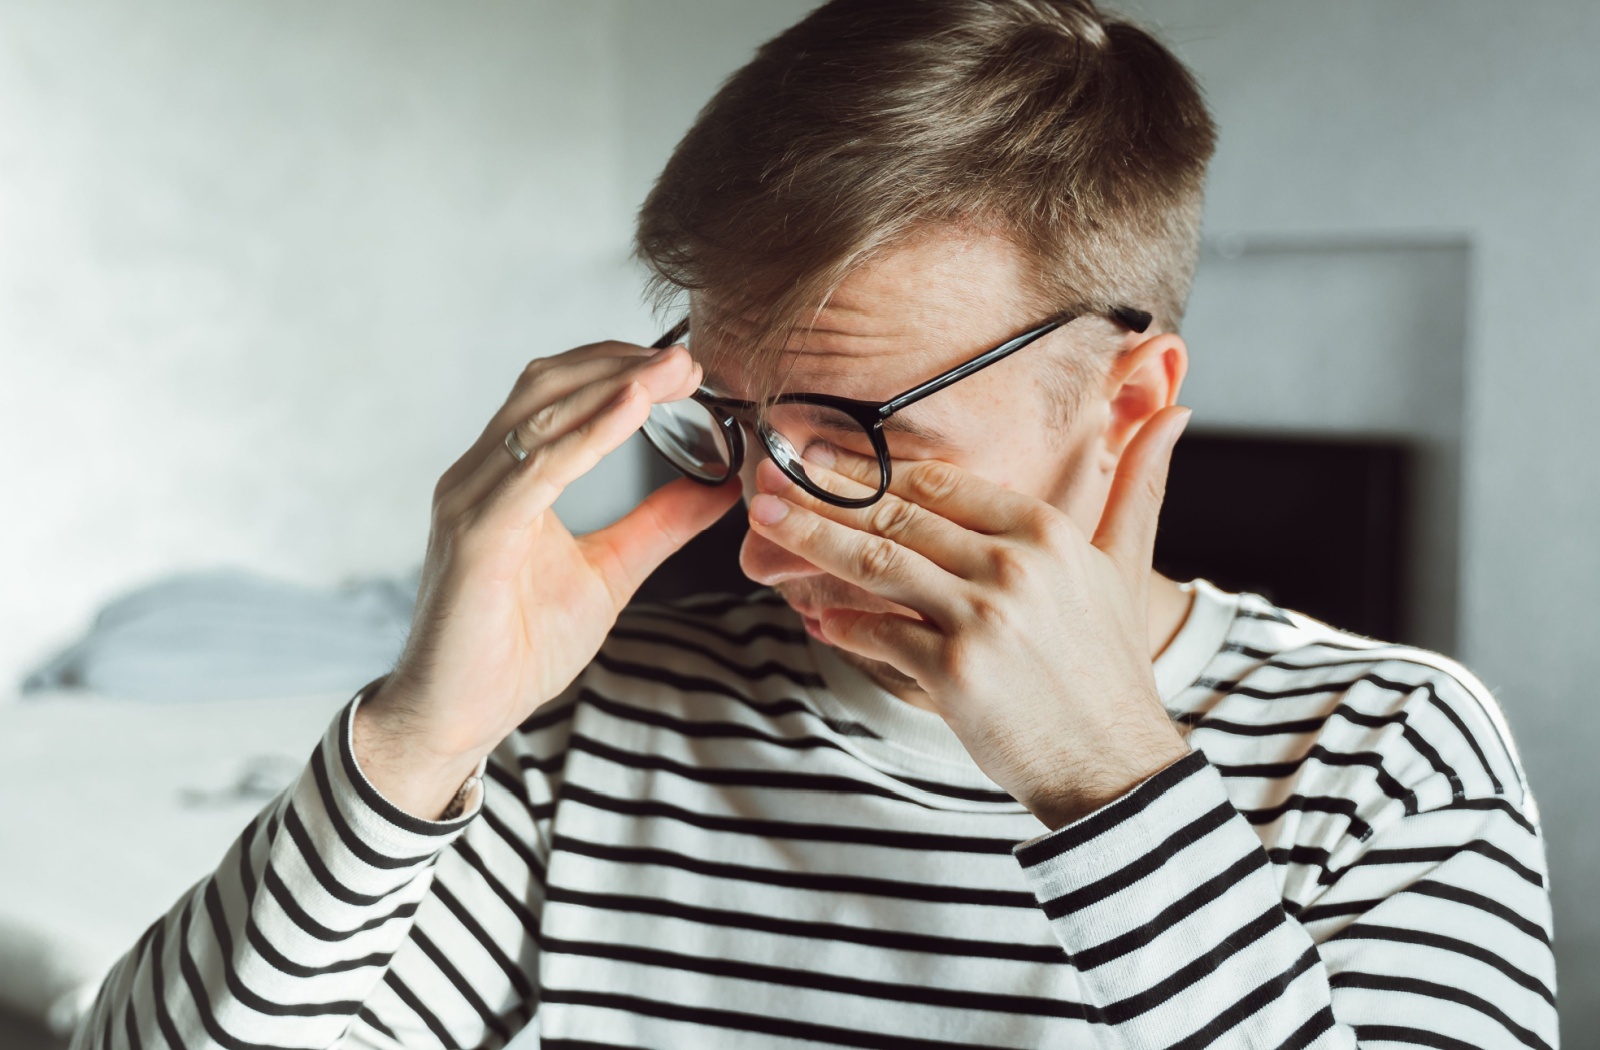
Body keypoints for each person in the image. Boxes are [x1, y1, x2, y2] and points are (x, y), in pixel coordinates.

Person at [75, 1, 1557, 1047]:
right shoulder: (615, 727)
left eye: (862, 440)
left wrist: (1109, 781)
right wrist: (414, 737)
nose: (768, 543)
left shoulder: (1386, 754)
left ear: (1125, 397)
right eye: (736, 427)